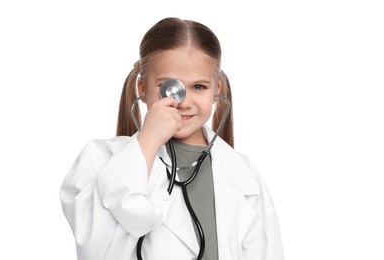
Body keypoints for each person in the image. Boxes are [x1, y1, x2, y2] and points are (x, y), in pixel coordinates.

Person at [60, 17, 284, 260]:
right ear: (142, 89)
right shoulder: (100, 160)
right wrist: (148, 141)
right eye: (168, 86)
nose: (184, 101)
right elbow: (97, 246)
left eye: (199, 87)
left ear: (216, 90)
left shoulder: (244, 175)